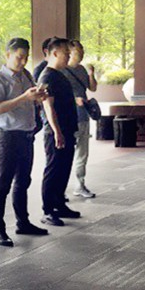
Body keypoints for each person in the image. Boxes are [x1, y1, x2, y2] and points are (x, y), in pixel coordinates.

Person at [0, 37, 48, 247]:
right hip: (8, 136)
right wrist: (24, 97)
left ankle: (23, 222)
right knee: (3, 184)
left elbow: (31, 100)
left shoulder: (26, 76)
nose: (22, 62)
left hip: (26, 135)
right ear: (8, 55)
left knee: (23, 181)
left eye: (25, 58)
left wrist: (38, 97)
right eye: (19, 57)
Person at [38, 37, 81, 226]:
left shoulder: (60, 74)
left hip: (67, 129)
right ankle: (48, 210)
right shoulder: (47, 76)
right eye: (66, 53)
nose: (69, 56)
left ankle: (59, 204)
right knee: (53, 169)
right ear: (54, 53)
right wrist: (57, 131)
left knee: (64, 168)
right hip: (55, 132)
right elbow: (48, 106)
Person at [64, 39, 98, 199]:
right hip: (69, 116)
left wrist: (91, 74)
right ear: (69, 52)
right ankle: (60, 188)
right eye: (78, 51)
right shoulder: (62, 71)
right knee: (66, 153)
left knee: (82, 152)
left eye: (82, 50)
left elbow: (93, 88)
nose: (81, 53)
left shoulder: (82, 69)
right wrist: (73, 99)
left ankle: (80, 184)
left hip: (83, 115)